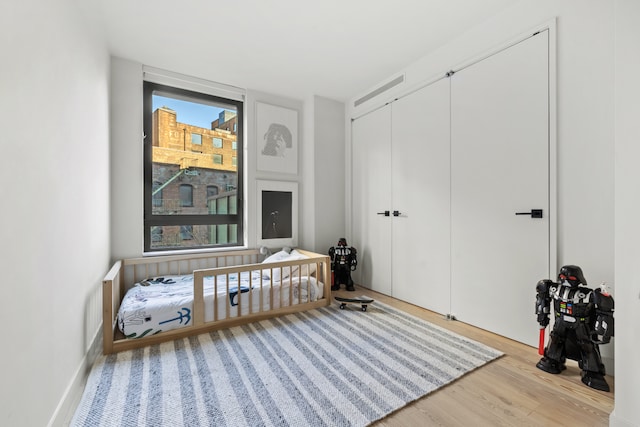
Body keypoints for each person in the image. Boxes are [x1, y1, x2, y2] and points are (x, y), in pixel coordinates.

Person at [535, 265, 614, 391]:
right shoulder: (554, 289)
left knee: (586, 345)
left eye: (570, 277)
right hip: (560, 321)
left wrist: (603, 328)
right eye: (562, 277)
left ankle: (592, 372)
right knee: (555, 339)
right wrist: (542, 316)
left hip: (581, 324)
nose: (565, 280)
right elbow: (542, 299)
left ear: (578, 279)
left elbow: (605, 308)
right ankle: (552, 360)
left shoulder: (587, 294)